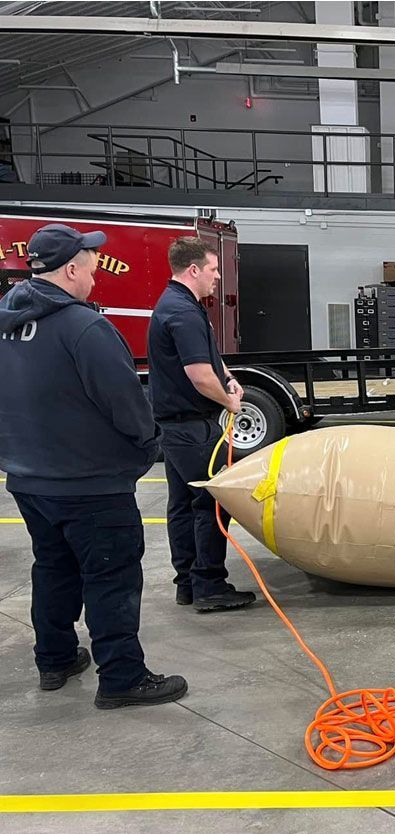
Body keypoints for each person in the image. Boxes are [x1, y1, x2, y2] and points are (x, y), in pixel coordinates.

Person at [0, 223, 188, 709]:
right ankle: (122, 675)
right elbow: (125, 402)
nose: (95, 272)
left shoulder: (7, 323)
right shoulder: (85, 327)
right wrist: (149, 445)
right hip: (90, 482)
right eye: (89, 263)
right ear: (70, 270)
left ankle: (56, 658)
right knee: (111, 576)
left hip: (28, 478)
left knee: (54, 565)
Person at [148, 237, 255, 613]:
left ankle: (188, 584)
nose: (218, 276)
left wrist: (229, 377)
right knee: (212, 500)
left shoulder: (178, 305)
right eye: (213, 269)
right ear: (193, 270)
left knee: (182, 504)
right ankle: (209, 584)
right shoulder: (183, 312)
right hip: (192, 427)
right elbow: (198, 376)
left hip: (176, 427)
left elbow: (206, 357)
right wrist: (230, 401)